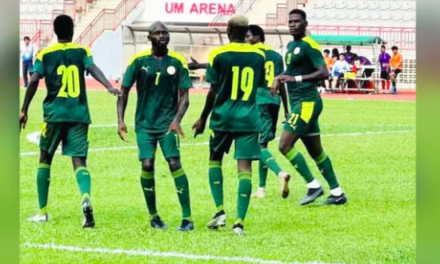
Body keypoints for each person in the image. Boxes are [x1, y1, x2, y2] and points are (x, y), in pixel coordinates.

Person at [19, 15, 120, 228]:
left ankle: (43, 213)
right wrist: (108, 85)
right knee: (79, 160)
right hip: (79, 114)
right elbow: (92, 69)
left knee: (45, 158)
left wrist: (24, 109)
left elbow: (35, 80)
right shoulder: (82, 51)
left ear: (55, 32)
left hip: (54, 115)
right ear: (72, 30)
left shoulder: (45, 54)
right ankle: (85, 198)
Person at [192, 15, 267, 236]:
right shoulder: (259, 55)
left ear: (227, 30)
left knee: (215, 160)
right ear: (246, 33)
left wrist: (203, 118)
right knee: (244, 169)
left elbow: (213, 90)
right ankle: (239, 223)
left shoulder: (219, 55)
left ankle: (219, 212)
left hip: (222, 118)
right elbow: (261, 84)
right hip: (248, 119)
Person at [117, 21, 194, 231]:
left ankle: (187, 218)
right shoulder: (138, 60)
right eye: (157, 33)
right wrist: (120, 120)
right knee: (147, 165)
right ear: (149, 37)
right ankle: (154, 216)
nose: (162, 36)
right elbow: (123, 92)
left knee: (174, 163)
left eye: (165, 32)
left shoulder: (177, 61)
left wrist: (176, 120)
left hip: (167, 124)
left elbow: (185, 96)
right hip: (144, 124)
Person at [272, 9, 347, 206]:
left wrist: (294, 78)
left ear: (305, 24)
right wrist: (280, 77)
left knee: (284, 145)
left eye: (297, 21)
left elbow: (324, 73)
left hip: (307, 102)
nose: (292, 24)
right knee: (316, 151)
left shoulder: (309, 45)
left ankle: (313, 185)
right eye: (290, 21)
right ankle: (337, 193)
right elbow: (291, 71)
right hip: (299, 103)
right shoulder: (291, 45)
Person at [245, 24, 291, 199]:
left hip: (258, 101)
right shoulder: (276, 56)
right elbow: (281, 82)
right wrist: (287, 109)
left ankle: (280, 173)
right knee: (263, 144)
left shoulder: (252, 55)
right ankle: (261, 189)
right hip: (274, 101)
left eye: (248, 37)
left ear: (257, 37)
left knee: (258, 147)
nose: (245, 40)